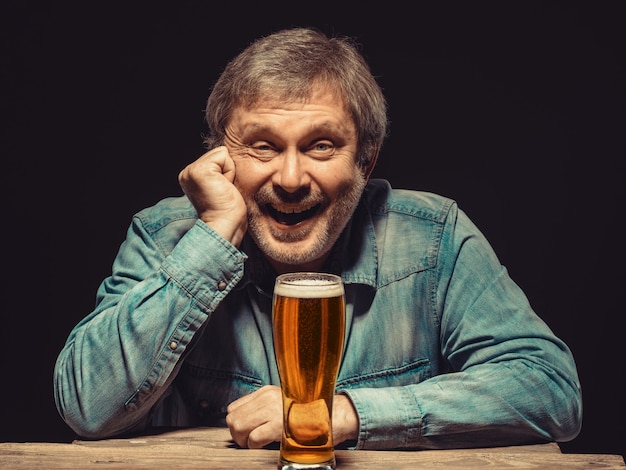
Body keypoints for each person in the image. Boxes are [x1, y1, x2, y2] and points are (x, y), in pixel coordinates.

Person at [54, 27, 582, 451]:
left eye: (321, 146)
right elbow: (86, 406)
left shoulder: (433, 237)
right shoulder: (165, 234)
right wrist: (212, 240)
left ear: (365, 161)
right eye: (261, 146)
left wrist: (342, 414)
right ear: (221, 158)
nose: (289, 178)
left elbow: (549, 389)